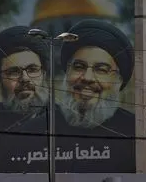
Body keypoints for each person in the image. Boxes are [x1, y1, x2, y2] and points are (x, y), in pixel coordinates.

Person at [53, 18, 136, 172]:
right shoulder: (38, 129)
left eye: (102, 69)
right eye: (78, 67)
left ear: (118, 81)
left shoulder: (135, 132)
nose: (88, 78)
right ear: (67, 72)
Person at [0, 25, 50, 171]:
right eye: (14, 72)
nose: (25, 79)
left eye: (32, 70)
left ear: (44, 74)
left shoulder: (63, 118)